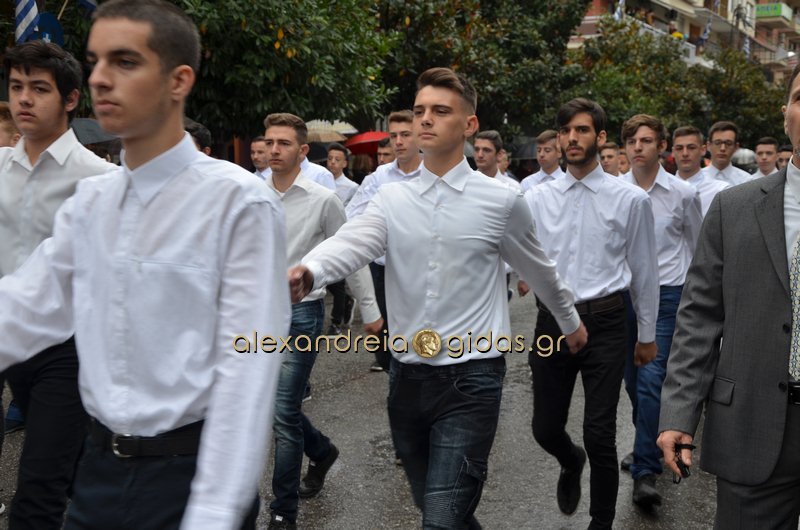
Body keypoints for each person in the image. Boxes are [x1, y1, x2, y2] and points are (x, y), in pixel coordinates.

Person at [0, 1, 290, 528]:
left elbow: (248, 366)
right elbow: (23, 310)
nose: (100, 78)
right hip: (96, 473)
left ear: (179, 80)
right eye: (96, 61)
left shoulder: (238, 203)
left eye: (125, 61)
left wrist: (214, 512)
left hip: (190, 477)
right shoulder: (91, 203)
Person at [289, 67, 587, 529]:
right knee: (437, 507)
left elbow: (539, 269)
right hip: (406, 378)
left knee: (441, 519)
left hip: (473, 377)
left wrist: (570, 323)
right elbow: (351, 242)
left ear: (469, 124)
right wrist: (310, 271)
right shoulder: (390, 199)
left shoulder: (502, 201)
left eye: (440, 111)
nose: (425, 119)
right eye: (420, 110)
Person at [658, 62, 800, 530]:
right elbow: (699, 316)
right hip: (753, 426)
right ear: (785, 115)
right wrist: (679, 412)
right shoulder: (734, 208)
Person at [524, 98, 658, 530]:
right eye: (565, 131)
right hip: (552, 323)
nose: (571, 138)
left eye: (581, 130)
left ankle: (601, 522)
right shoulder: (535, 198)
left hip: (607, 322)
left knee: (600, 433)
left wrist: (647, 334)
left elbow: (645, 271)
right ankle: (570, 459)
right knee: (545, 428)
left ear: (600, 137)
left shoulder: (630, 199)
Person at [0, 40, 117, 529]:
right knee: (69, 468)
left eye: (39, 88)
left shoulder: (100, 179)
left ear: (70, 99)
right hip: (5, 334)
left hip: (65, 347)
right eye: (16, 87)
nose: (24, 99)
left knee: (39, 486)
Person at [263, 113, 381, 529]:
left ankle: (283, 510)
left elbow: (352, 255)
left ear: (302, 151)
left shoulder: (323, 199)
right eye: (269, 142)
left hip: (302, 313)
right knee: (271, 407)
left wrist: (371, 312)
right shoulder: (250, 194)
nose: (274, 150)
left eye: (283, 143)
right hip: (257, 314)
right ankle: (322, 450)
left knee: (283, 410)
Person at [619, 114, 702, 509]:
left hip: (668, 296)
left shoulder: (683, 194)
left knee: (652, 380)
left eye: (646, 140)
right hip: (624, 297)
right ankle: (648, 441)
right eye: (632, 141)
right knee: (633, 383)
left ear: (661, 146)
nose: (638, 147)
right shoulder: (615, 191)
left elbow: (698, 246)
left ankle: (645, 472)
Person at [346, 109, 423, 372]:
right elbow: (352, 217)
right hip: (384, 267)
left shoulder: (434, 172)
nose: (398, 141)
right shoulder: (379, 177)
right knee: (385, 333)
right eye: (394, 135)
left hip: (420, 266)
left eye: (405, 135)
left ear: (419, 136)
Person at [671, 126, 729, 217]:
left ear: (703, 150)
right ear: (673, 152)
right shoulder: (661, 190)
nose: (685, 153)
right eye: (679, 148)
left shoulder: (720, 191)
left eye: (691, 147)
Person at [702, 121, 752, 186]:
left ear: (736, 147)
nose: (722, 148)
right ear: (708, 146)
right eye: (717, 143)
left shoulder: (746, 181)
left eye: (728, 143)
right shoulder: (694, 179)